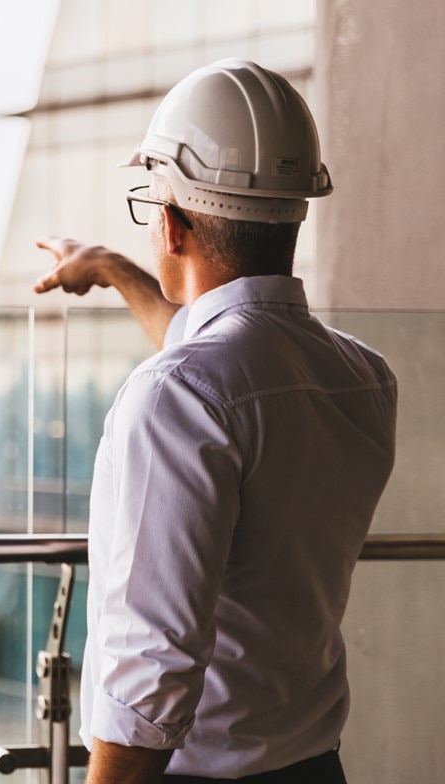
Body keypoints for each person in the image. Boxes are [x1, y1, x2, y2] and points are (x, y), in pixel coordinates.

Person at [33, 59, 398, 784]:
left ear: (168, 224)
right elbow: (219, 354)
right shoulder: (361, 376)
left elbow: (149, 684)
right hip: (314, 767)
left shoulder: (178, 395)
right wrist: (108, 267)